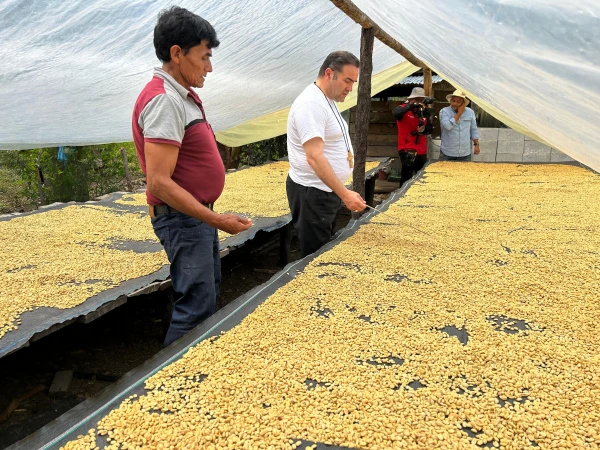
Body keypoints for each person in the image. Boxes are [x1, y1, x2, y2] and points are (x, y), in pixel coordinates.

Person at [132, 6, 252, 347]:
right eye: (204, 56)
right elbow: (159, 182)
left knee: (205, 294)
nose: (209, 67)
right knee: (195, 306)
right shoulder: (164, 100)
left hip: (193, 217)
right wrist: (215, 219)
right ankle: (168, 385)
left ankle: (189, 372)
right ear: (177, 53)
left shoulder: (181, 96)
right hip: (183, 219)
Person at [286, 51, 367, 257]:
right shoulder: (311, 104)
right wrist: (345, 194)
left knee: (325, 249)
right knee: (315, 257)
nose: (350, 88)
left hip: (323, 191)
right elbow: (314, 156)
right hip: (312, 193)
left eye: (353, 83)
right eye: (347, 81)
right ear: (329, 73)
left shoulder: (326, 99)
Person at [392, 86, 433, 184]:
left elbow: (429, 130)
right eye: (417, 99)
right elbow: (396, 113)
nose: (419, 102)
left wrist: (424, 127)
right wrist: (411, 105)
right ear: (410, 99)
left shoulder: (422, 112)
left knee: (422, 176)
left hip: (421, 148)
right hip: (407, 148)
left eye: (421, 99)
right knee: (407, 176)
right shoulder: (403, 109)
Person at [439, 89, 480, 160]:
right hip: (448, 153)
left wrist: (476, 145)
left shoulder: (470, 112)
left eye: (458, 102)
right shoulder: (444, 111)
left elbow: (473, 130)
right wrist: (459, 113)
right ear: (450, 101)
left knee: (464, 171)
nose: (455, 103)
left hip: (465, 153)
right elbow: (448, 126)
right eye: (453, 101)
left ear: (463, 103)